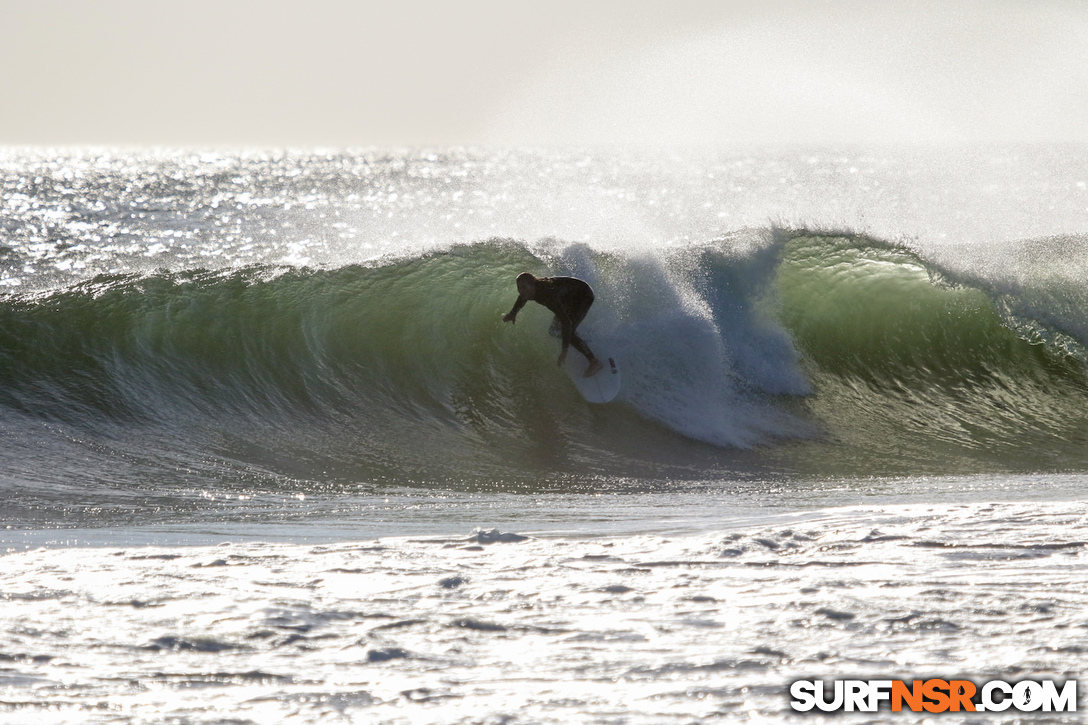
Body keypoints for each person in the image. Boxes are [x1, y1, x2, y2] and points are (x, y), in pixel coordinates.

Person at [503, 272, 603, 377]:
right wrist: (512, 314)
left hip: (583, 295)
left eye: (524, 287)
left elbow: (566, 322)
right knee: (554, 331)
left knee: (567, 330)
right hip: (568, 297)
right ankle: (575, 339)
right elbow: (521, 298)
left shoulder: (547, 295)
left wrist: (564, 350)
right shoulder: (531, 291)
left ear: (532, 285)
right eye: (519, 288)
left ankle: (594, 362)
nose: (521, 291)